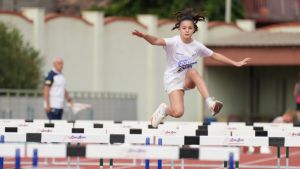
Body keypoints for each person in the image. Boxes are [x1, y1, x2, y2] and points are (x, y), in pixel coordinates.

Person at [132, 8, 251, 127]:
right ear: (179, 29)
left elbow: (214, 55)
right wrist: (144, 35)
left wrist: (235, 63)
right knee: (178, 112)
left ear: (194, 30)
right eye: (184, 28)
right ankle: (164, 110)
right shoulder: (174, 42)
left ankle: (210, 103)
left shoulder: (197, 46)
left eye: (190, 28)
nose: (187, 31)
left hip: (187, 79)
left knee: (193, 71)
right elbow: (156, 41)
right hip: (173, 80)